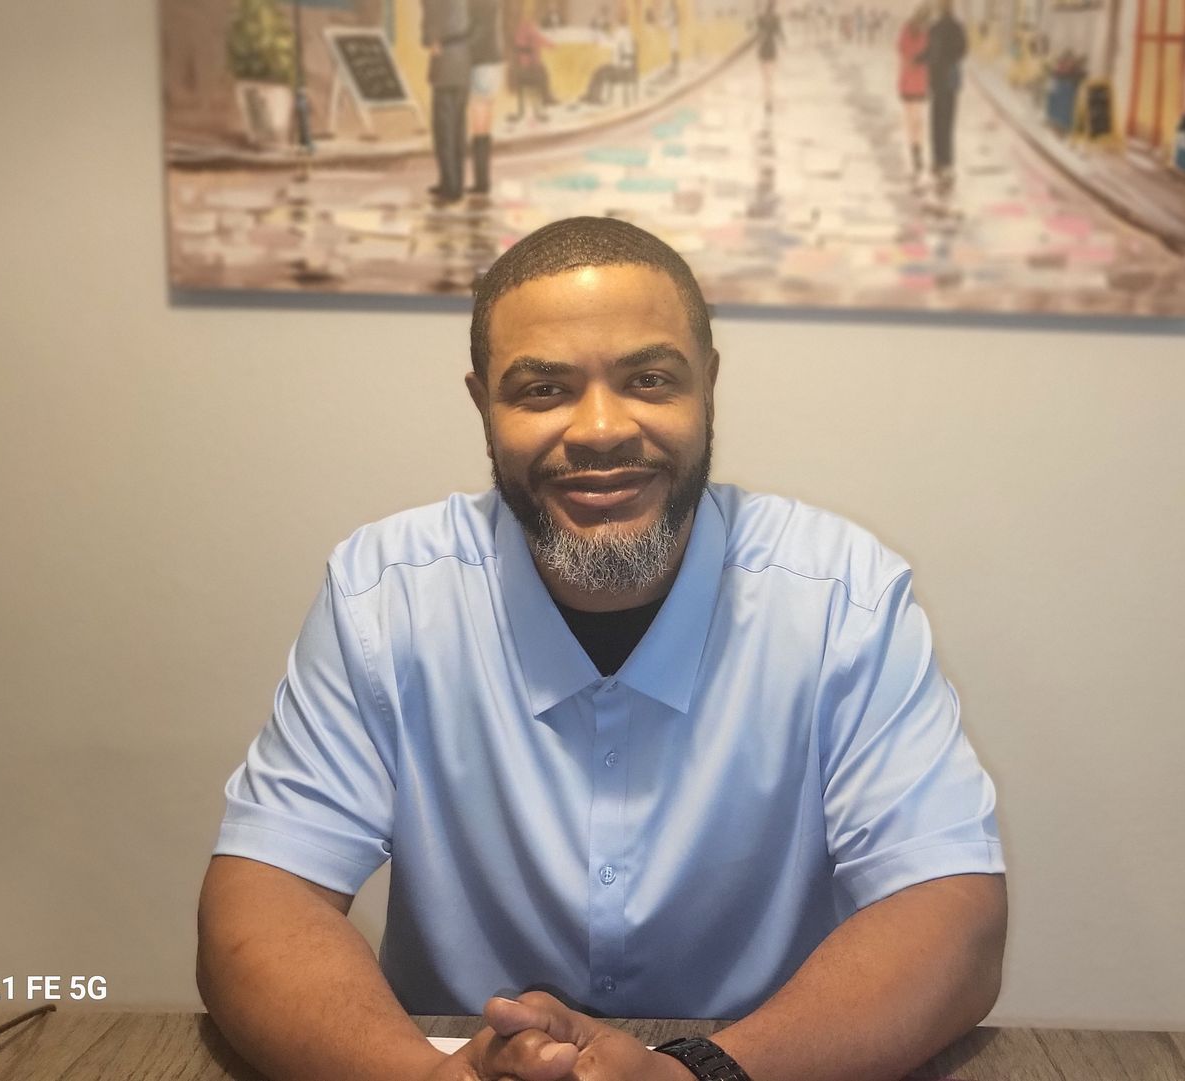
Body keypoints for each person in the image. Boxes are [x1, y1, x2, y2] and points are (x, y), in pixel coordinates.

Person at [197, 216, 1006, 1081]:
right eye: (543, 389)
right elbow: (263, 905)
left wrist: (693, 1074)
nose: (600, 429)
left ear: (709, 387)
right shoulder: (383, 593)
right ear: (482, 405)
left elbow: (952, 917)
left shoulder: (843, 597)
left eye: (649, 379)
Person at [424, 0, 475, 205]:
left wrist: (430, 39)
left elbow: (431, 34)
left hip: (445, 64)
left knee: (444, 129)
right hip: (463, 64)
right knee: (458, 128)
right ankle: (455, 183)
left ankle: (450, 186)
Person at [920, 0, 966, 187]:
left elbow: (929, 52)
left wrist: (918, 60)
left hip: (938, 79)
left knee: (937, 120)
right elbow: (963, 51)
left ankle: (938, 160)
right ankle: (947, 161)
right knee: (948, 121)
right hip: (950, 79)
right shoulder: (957, 27)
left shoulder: (935, 28)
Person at [464, 0, 505, 197]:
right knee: (484, 121)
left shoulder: (478, 4)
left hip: (480, 62)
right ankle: (483, 180)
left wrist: (459, 47)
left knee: (478, 123)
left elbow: (477, 33)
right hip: (493, 61)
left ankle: (481, 182)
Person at [896, 4, 930, 177]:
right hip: (919, 82)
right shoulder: (925, 34)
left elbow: (900, 51)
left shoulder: (906, 31)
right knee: (917, 119)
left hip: (909, 81)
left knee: (911, 119)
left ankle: (914, 149)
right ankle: (917, 149)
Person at [755, 0, 784, 105]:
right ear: (774, 7)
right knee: (771, 71)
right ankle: (769, 91)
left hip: (763, 46)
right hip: (771, 46)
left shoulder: (761, 18)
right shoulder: (776, 19)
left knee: (764, 72)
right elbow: (779, 33)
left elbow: (758, 33)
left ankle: (766, 91)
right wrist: (784, 43)